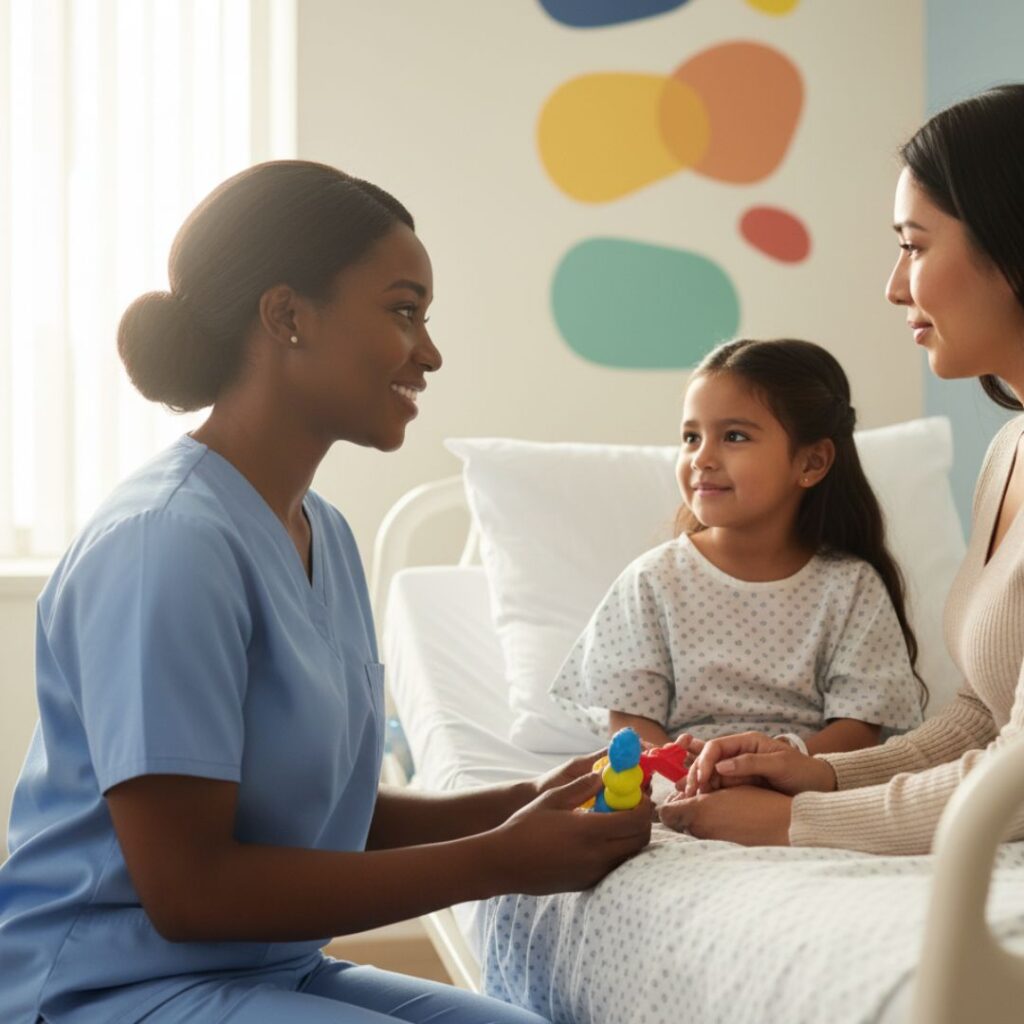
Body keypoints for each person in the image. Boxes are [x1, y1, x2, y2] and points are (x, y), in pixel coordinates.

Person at [0, 161, 652, 1024]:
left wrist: (521, 803)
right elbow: (190, 891)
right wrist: (500, 859)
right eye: (404, 311)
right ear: (287, 316)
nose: (431, 353)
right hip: (102, 989)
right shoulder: (166, 543)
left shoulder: (323, 534)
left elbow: (317, 815)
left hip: (267, 972)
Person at [660, 83, 1024, 854]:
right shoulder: (1009, 453)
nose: (894, 285)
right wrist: (819, 775)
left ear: (1011, 246)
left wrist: (796, 822)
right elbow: (983, 720)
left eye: (915, 246)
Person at [550, 338, 925, 797]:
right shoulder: (653, 581)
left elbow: (860, 727)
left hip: (803, 793)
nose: (702, 458)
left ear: (812, 462)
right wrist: (686, 775)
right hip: (684, 791)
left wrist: (775, 768)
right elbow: (630, 718)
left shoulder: (851, 587)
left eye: (734, 436)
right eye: (691, 437)